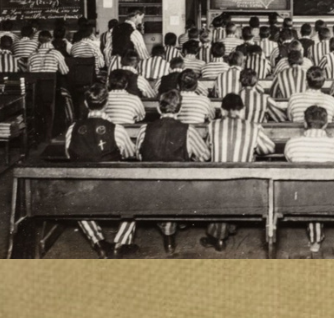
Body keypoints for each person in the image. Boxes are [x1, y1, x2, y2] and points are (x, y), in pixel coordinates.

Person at [65, 82, 137, 258]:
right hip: (114, 189)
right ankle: (120, 243)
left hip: (82, 189)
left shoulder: (72, 129)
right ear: (107, 103)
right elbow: (130, 155)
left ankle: (98, 242)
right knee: (137, 199)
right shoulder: (117, 130)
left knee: (76, 202)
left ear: (85, 103)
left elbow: (69, 155)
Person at [135, 89, 211, 254]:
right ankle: (173, 226)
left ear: (158, 107)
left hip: (150, 185)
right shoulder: (188, 130)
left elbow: (138, 155)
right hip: (178, 187)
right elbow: (205, 156)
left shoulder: (144, 129)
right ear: (180, 109)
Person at [201, 93, 275, 251]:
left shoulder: (212, 125)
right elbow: (269, 148)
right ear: (242, 110)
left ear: (222, 110)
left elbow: (208, 149)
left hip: (218, 182)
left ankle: (217, 236)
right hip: (244, 182)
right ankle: (228, 228)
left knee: (220, 187)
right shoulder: (253, 126)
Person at [284, 105, 334, 254]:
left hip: (298, 192)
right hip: (327, 192)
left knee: (310, 186)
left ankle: (315, 236)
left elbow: (289, 159)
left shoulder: (292, 142)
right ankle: (316, 238)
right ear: (325, 124)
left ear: (305, 123)